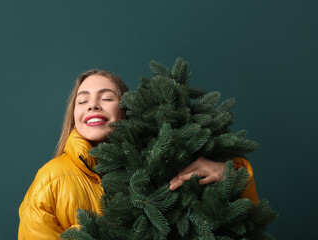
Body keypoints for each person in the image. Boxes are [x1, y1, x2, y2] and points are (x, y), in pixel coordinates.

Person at [18, 70, 258, 239]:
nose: (93, 105)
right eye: (83, 101)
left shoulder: (157, 167)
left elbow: (244, 222)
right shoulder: (52, 179)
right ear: (74, 116)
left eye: (107, 97)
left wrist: (232, 173)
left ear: (126, 110)